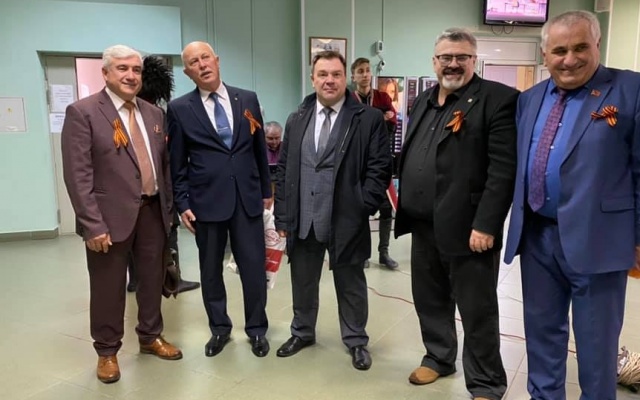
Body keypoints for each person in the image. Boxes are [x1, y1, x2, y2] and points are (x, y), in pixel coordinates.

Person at [504, 10, 640, 400]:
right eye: (559, 51)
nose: (570, 59)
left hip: (600, 240)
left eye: (580, 48)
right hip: (537, 237)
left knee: (597, 346)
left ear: (597, 44)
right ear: (544, 54)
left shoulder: (630, 90)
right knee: (541, 335)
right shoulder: (529, 99)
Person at [395, 28, 518, 400]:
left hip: (469, 230)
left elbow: (503, 170)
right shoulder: (422, 100)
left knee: (477, 309)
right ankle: (439, 357)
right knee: (429, 298)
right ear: (434, 61)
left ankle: (486, 383)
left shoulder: (497, 100)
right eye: (445, 57)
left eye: (461, 57)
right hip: (423, 223)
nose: (453, 64)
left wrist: (487, 224)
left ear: (474, 59)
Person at [61, 45, 183, 384]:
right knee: (108, 287)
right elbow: (77, 175)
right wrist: (92, 224)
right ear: (105, 73)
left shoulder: (153, 114)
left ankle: (150, 336)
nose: (131, 76)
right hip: (108, 218)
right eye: (122, 69)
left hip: (152, 212)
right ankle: (107, 351)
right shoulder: (83, 112)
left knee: (152, 280)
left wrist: (168, 211)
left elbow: (164, 167)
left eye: (136, 70)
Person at [273, 50, 391, 370]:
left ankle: (356, 339)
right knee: (303, 280)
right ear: (312, 78)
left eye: (336, 74)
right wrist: (283, 215)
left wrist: (362, 205)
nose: (329, 80)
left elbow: (380, 169)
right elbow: (284, 170)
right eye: (323, 74)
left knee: (351, 283)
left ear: (345, 78)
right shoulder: (297, 118)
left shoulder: (367, 119)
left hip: (346, 218)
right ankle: (302, 331)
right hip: (304, 217)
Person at [167, 41, 272, 358]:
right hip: (206, 203)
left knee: (253, 269)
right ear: (187, 72)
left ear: (217, 60)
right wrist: (183, 204)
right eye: (193, 62)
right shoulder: (180, 109)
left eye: (205, 57)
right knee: (211, 271)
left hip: (247, 199)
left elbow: (259, 149)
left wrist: (266, 191)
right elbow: (177, 162)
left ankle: (257, 329)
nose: (201, 64)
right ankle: (220, 329)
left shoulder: (247, 99)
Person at [126, 55, 200, 294]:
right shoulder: (156, 113)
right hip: (158, 185)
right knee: (168, 233)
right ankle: (172, 279)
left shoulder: (132, 110)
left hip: (136, 189)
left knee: (134, 236)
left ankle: (135, 279)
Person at [351, 57, 398, 270]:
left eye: (367, 70)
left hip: (381, 161)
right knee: (362, 208)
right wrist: (380, 116)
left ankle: (384, 253)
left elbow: (392, 122)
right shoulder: (349, 100)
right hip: (358, 164)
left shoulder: (382, 96)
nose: (365, 74)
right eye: (360, 71)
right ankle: (363, 254)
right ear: (353, 76)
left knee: (386, 209)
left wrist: (370, 119)